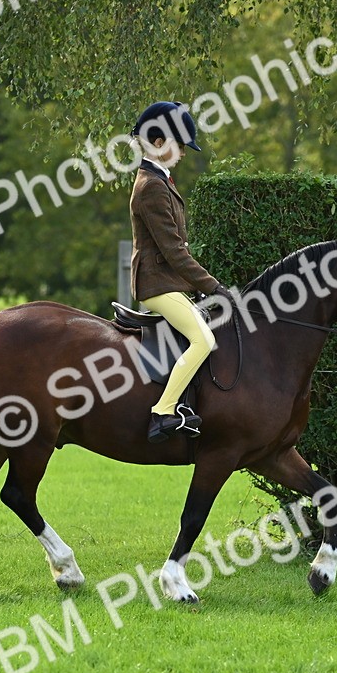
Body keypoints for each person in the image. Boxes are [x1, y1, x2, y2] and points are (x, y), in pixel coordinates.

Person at [129, 101, 231, 443]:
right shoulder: (152, 187)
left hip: (167, 281)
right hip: (156, 284)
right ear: (158, 143)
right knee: (205, 339)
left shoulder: (159, 180)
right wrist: (214, 286)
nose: (184, 154)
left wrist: (199, 287)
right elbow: (174, 251)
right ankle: (163, 411)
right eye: (181, 145)